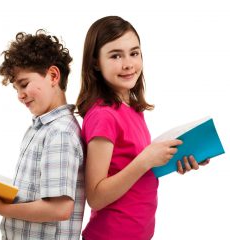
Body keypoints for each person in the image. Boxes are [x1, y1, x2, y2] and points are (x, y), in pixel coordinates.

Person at [76, 16, 209, 240]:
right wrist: (145, 160)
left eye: (134, 53)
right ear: (96, 63)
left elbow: (131, 168)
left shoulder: (132, 108)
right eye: (116, 55)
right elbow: (96, 196)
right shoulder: (103, 115)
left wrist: (175, 157)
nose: (128, 64)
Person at [0, 30, 85, 240]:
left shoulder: (60, 133)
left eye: (24, 84)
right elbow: (33, 194)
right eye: (16, 88)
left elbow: (59, 209)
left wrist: (2, 209)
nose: (20, 95)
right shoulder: (40, 128)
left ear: (53, 76)